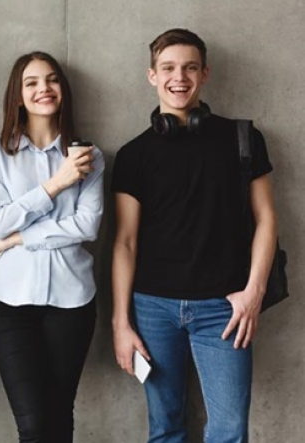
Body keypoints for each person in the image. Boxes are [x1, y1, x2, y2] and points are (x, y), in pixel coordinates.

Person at [111, 28, 277, 442]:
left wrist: (254, 292)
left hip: (224, 309)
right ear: (152, 75)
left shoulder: (243, 139)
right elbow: (125, 242)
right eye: (167, 68)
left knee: (229, 430)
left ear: (205, 73)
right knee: (165, 428)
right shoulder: (134, 155)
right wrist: (121, 322)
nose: (178, 77)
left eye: (188, 67)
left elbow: (267, 220)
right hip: (153, 309)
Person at [0, 52, 103, 443]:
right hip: (11, 303)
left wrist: (15, 239)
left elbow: (87, 226)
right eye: (31, 82)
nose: (43, 89)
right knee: (32, 424)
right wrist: (57, 184)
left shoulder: (89, 157)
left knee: (60, 416)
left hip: (73, 301)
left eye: (52, 80)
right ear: (18, 95)